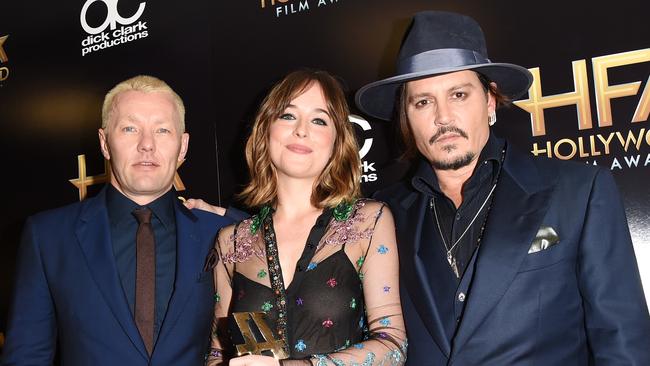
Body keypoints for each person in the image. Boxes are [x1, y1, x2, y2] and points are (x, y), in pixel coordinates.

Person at [355, 11, 650, 365]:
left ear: (490, 101)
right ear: (406, 117)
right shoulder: (380, 214)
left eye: (459, 94)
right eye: (423, 102)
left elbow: (622, 343)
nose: (443, 116)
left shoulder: (579, 191)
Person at [2, 75, 233, 366]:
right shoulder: (48, 236)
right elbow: (27, 356)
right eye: (130, 128)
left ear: (183, 146)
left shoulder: (221, 233)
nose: (146, 144)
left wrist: (230, 218)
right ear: (104, 142)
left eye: (162, 130)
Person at [204, 69, 407, 366]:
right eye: (288, 115)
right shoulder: (232, 242)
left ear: (337, 142)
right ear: (265, 130)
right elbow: (218, 353)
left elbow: (393, 345)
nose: (301, 130)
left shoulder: (367, 221)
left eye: (319, 120)